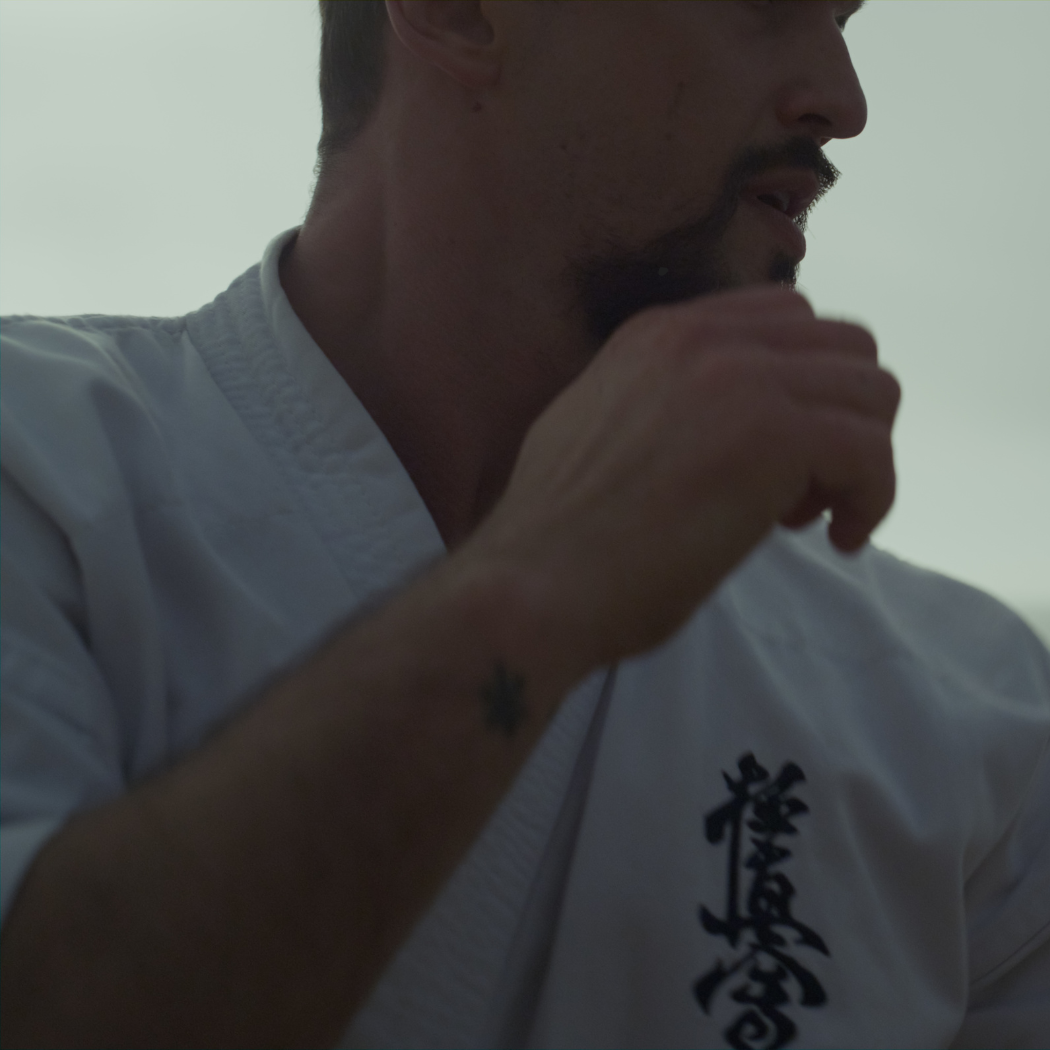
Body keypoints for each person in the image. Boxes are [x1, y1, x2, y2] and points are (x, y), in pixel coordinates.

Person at [1, 1, 1047, 1046]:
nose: (845, 102)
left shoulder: (972, 722)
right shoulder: (39, 465)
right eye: (768, 7)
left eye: (843, 16)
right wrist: (539, 590)